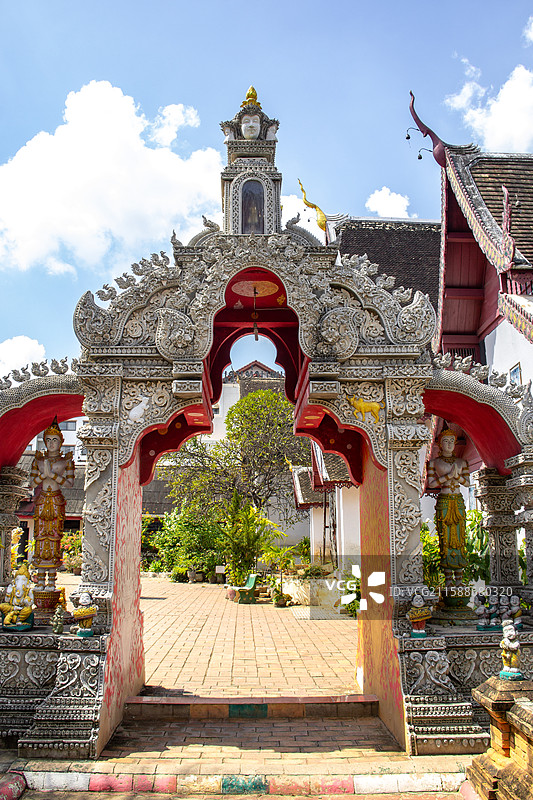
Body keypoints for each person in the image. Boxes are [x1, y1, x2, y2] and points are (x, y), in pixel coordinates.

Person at [29, 417, 75, 591]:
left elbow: (70, 483)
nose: (51, 444)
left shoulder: (66, 461)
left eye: (55, 440)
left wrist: (52, 475)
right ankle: (40, 580)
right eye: (48, 440)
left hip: (56, 500)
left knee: (54, 536)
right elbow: (32, 483)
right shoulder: (38, 460)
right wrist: (43, 475)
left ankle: (52, 581)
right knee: (40, 536)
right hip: (42, 501)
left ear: (61, 442)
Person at [427, 428, 470, 589]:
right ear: (439, 444)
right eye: (446, 441)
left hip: (458, 501)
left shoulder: (462, 463)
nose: (450, 444)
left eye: (452, 441)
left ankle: (459, 578)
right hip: (444, 501)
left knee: (459, 538)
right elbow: (431, 484)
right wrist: (448, 476)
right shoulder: (434, 463)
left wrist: (456, 476)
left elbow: (467, 483)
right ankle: (448, 580)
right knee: (445, 538)